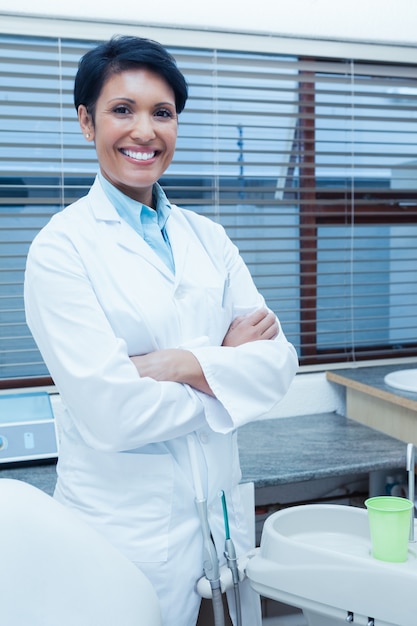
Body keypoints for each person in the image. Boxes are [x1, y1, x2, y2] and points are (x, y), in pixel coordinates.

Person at [24, 35, 298, 626]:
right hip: (125, 540)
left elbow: (278, 366)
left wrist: (176, 364)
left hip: (219, 526)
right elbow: (112, 413)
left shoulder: (210, 239)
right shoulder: (61, 250)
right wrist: (225, 371)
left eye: (162, 113)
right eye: (122, 110)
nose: (143, 131)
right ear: (85, 121)